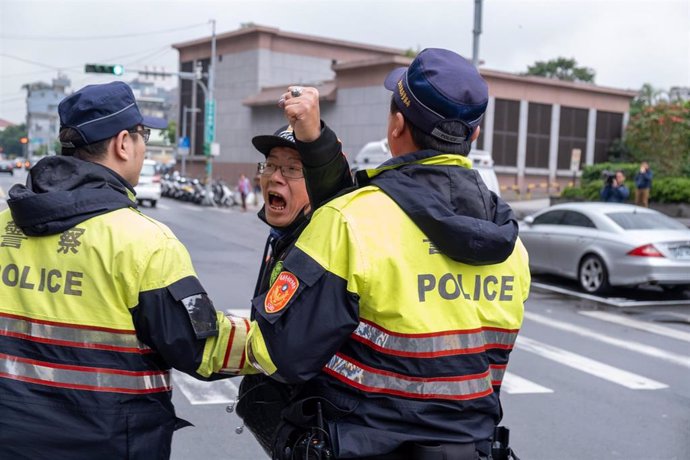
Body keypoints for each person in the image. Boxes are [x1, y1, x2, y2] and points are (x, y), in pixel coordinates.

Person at [242, 49, 530, 459]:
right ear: (474, 136)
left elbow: (279, 355)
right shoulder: (511, 244)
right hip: (472, 448)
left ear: (396, 124)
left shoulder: (350, 221)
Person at [0, 81, 251, 460]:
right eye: (143, 135)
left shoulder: (5, 226)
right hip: (107, 443)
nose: (144, 146)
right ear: (122, 143)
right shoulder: (145, 242)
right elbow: (201, 346)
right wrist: (278, 339)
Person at [235, 85, 353, 454]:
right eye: (269, 165)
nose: (274, 177)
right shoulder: (281, 236)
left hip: (320, 428)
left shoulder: (326, 235)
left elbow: (337, 186)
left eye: (292, 169)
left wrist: (314, 134)